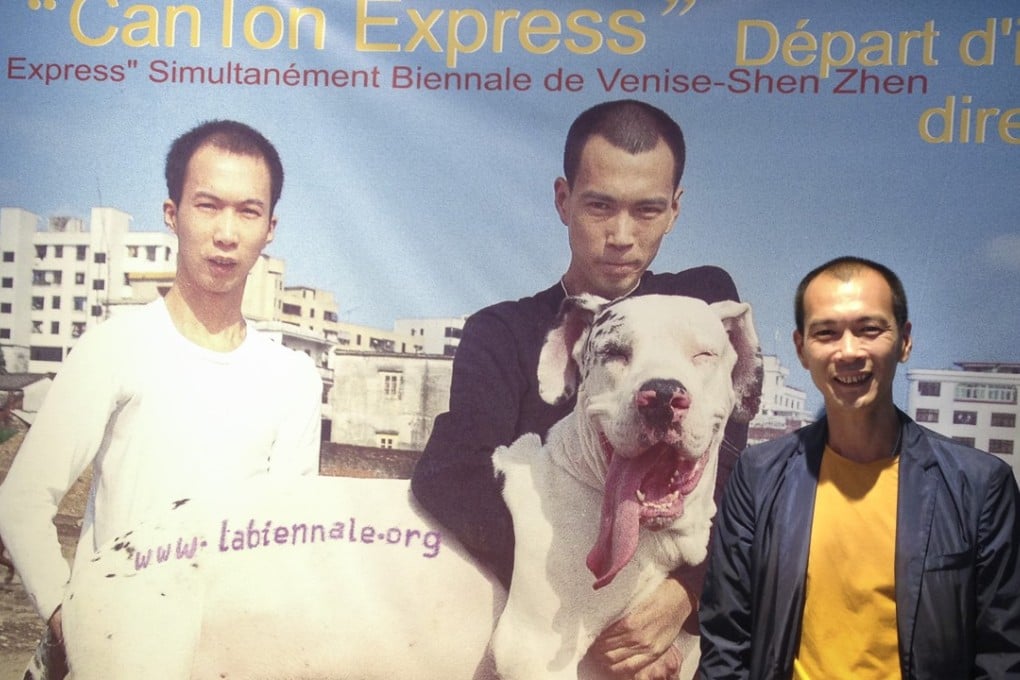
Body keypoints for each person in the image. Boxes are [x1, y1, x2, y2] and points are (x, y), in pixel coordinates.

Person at [411, 98, 750, 680]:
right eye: (600, 206)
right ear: (563, 199)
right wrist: (592, 613)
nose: (622, 235)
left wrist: (684, 597)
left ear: (675, 209)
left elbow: (732, 481)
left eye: (647, 210)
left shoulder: (699, 306)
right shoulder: (504, 333)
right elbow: (452, 477)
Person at [0, 120, 323, 678]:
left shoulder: (292, 377)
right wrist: (70, 623)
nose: (226, 232)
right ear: (172, 214)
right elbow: (22, 502)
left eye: (247, 211)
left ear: (270, 229)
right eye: (207, 205)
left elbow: (287, 543)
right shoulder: (114, 346)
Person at [698, 256, 1020, 679]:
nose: (848, 351)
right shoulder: (759, 476)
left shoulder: (978, 486)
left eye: (870, 329)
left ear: (905, 341)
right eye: (826, 333)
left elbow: (1003, 656)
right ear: (801, 348)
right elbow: (725, 640)